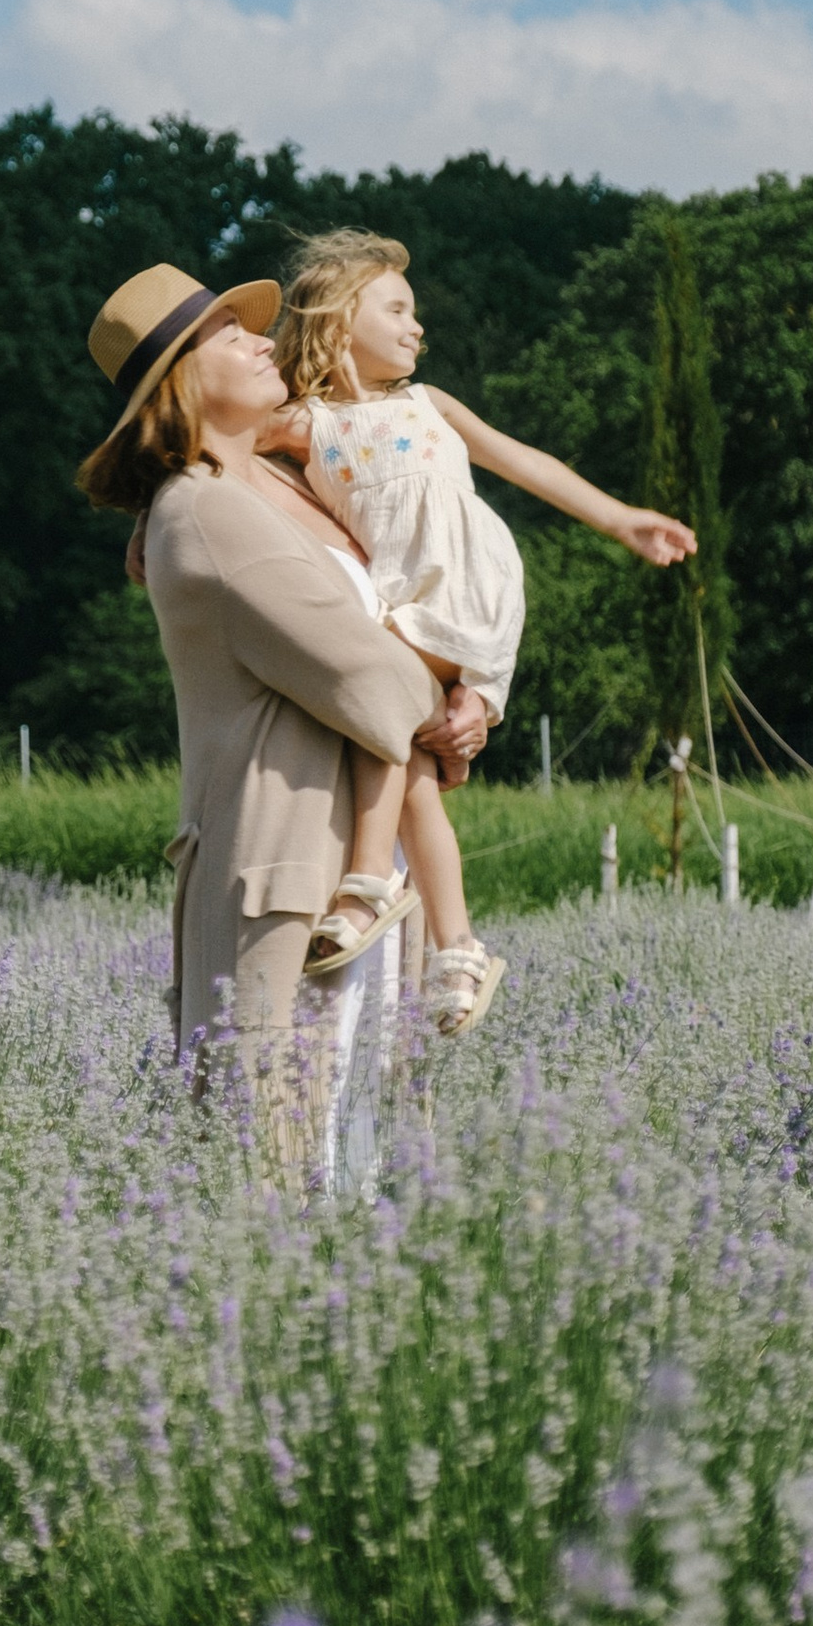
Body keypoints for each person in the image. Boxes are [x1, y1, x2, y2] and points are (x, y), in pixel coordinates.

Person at [76, 262, 485, 1176]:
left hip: (359, 877)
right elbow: (378, 684)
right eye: (230, 332)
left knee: (360, 1156)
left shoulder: (258, 495)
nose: (264, 339)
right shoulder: (208, 515)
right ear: (180, 378)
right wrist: (460, 688)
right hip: (295, 882)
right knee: (290, 1167)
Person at [268, 232, 696, 1037]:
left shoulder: (429, 405)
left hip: (461, 594)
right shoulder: (305, 424)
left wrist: (620, 520)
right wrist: (153, 514)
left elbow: (524, 462)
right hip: (404, 607)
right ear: (335, 322)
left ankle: (365, 887)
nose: (416, 327)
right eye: (397, 309)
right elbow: (210, 451)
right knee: (415, 772)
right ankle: (456, 948)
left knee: (374, 718)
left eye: (415, 313)